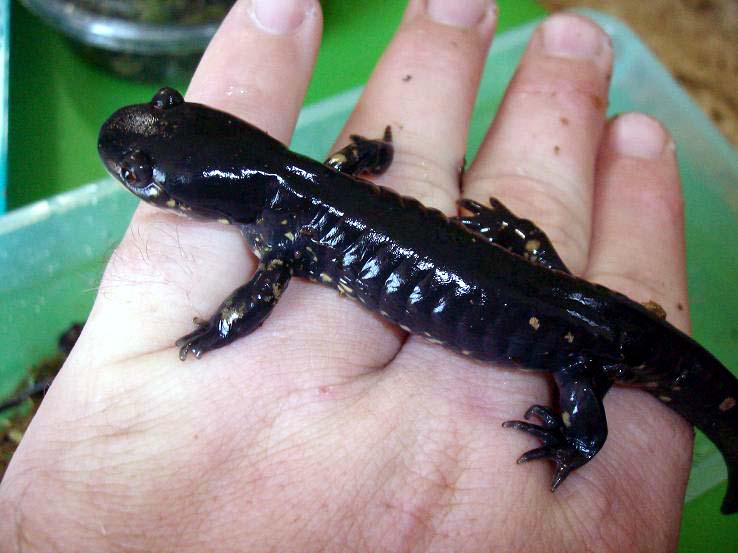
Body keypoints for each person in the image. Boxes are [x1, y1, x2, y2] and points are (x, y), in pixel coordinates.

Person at [0, 0, 693, 550]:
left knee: (585, 392)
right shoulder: (296, 188)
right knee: (553, 286)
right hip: (554, 292)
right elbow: (356, 166)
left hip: (581, 336)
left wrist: (209, 335)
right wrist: (378, 155)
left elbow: (254, 304)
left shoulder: (282, 228)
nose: (135, 174)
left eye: (142, 175)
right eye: (142, 174)